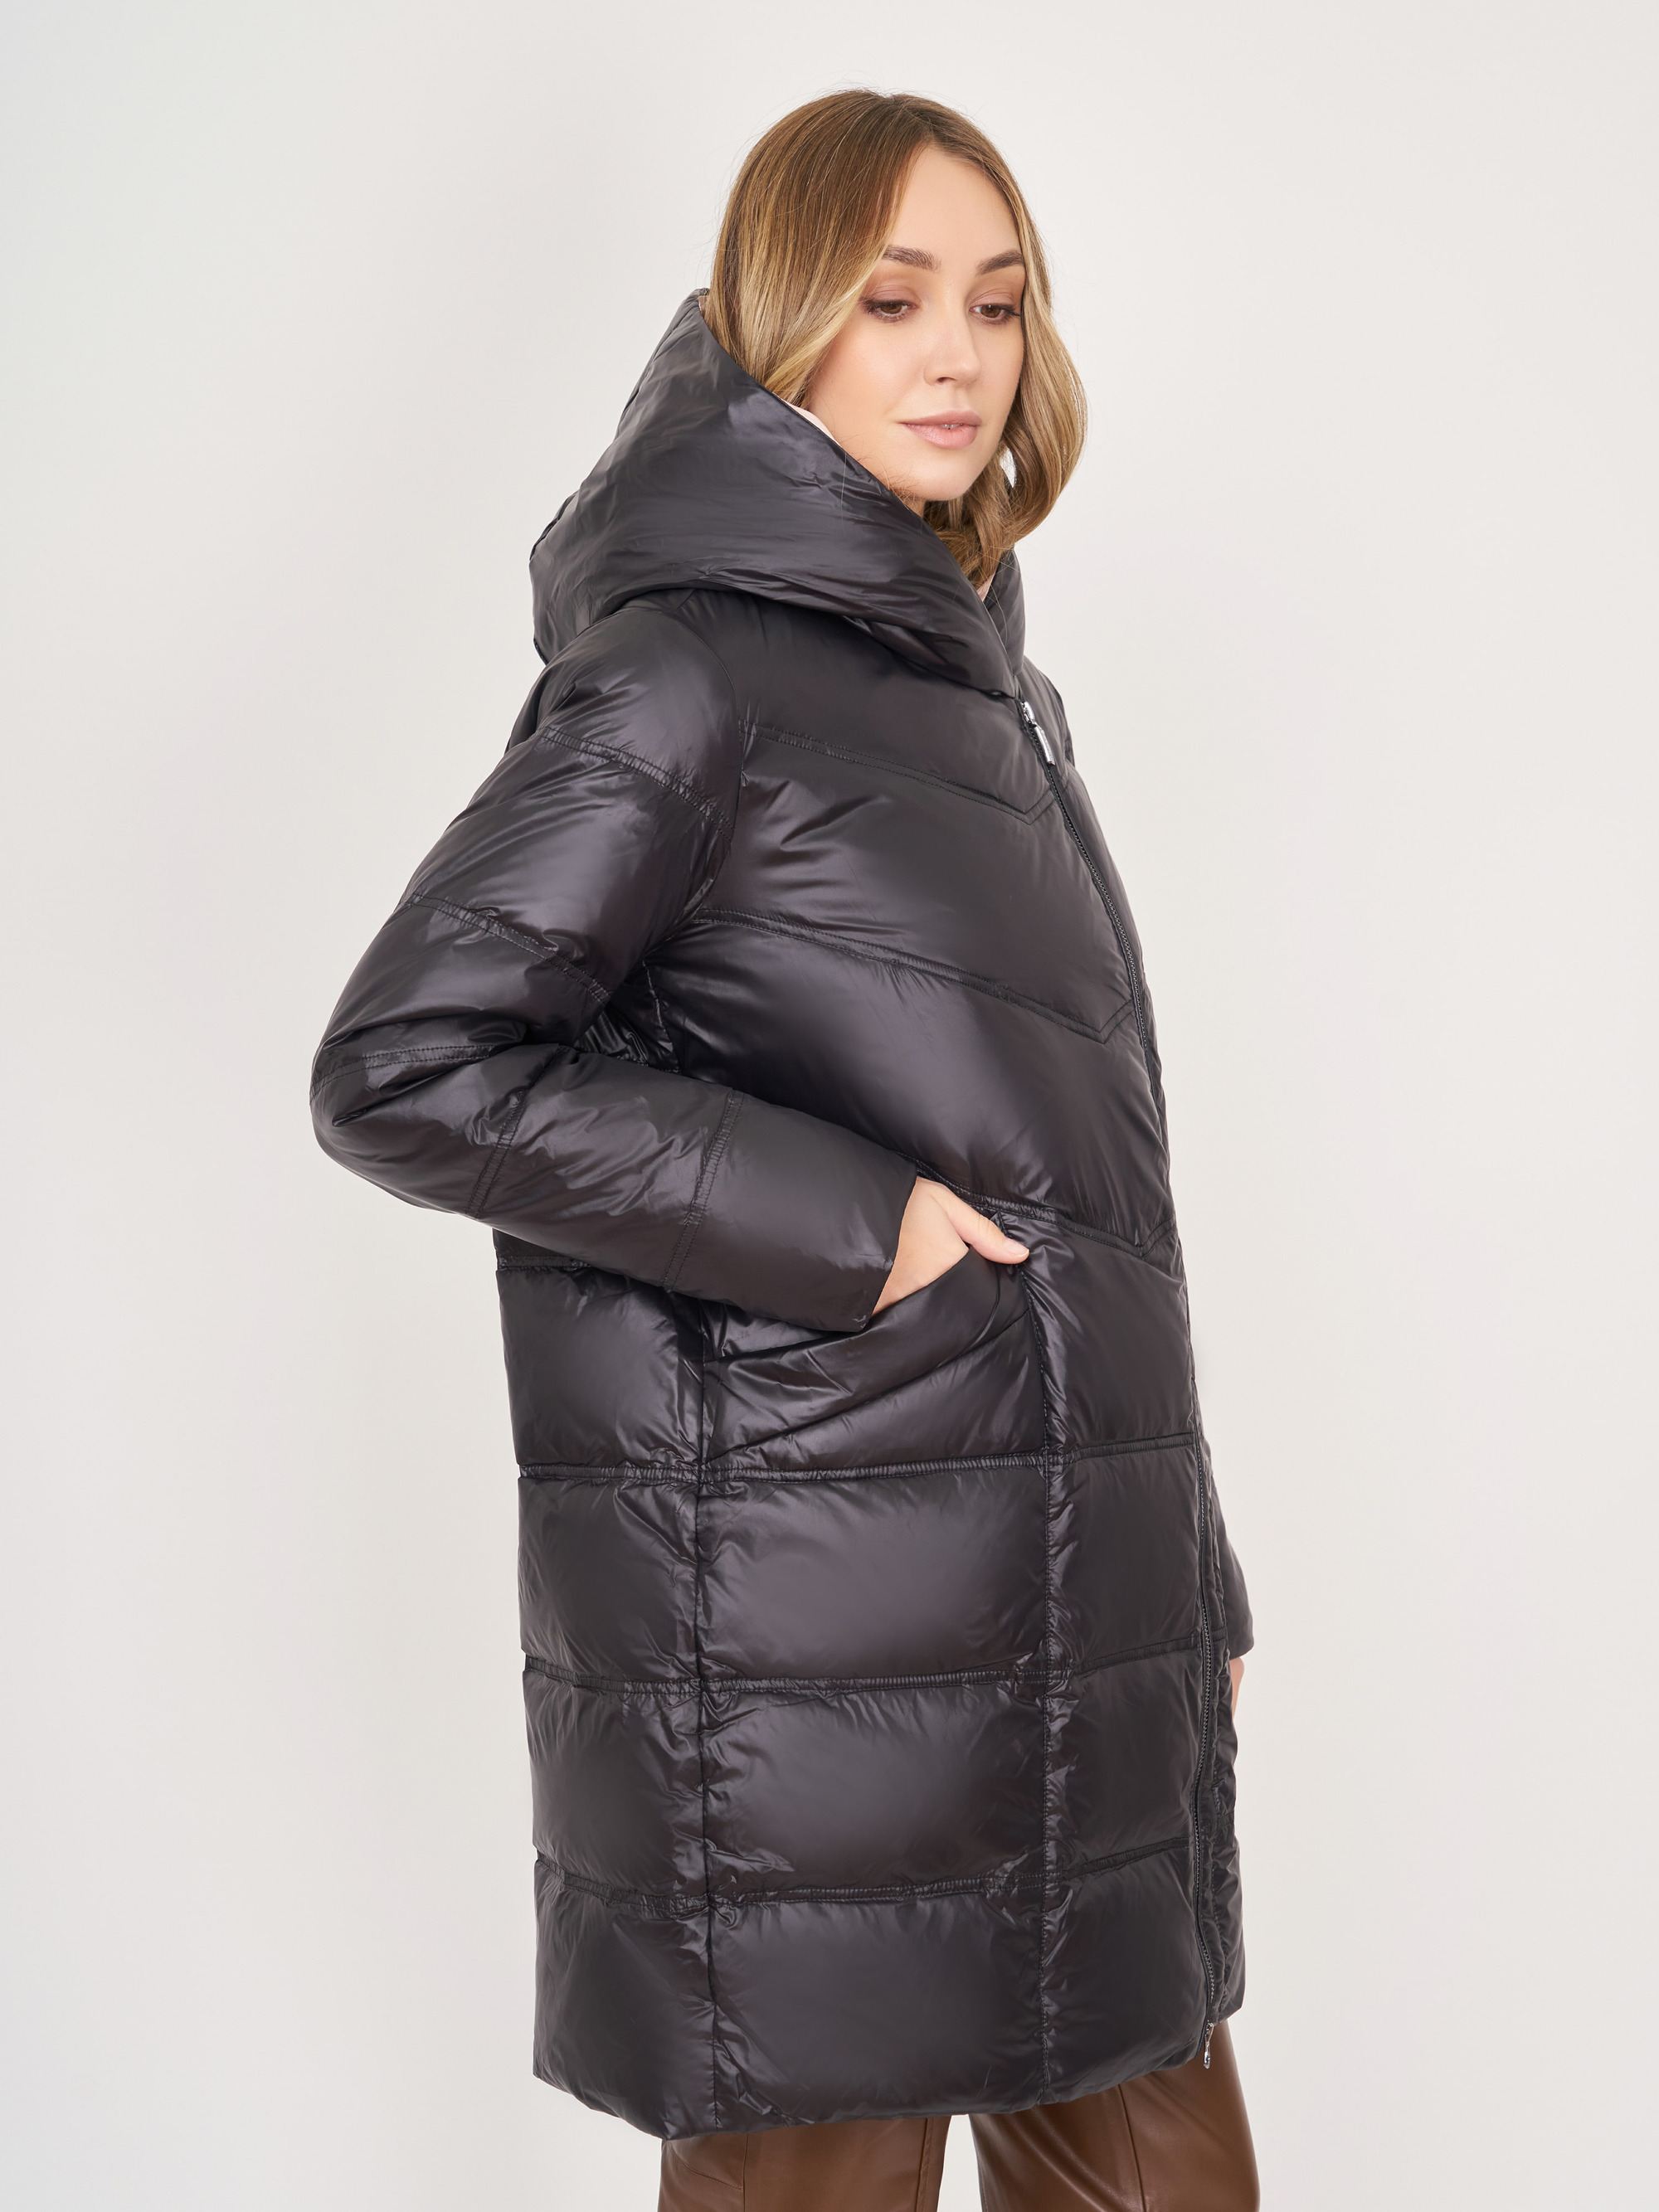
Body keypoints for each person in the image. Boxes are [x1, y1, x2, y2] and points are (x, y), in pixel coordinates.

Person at [311, 89, 1258, 2212]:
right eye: (892, 299)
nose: (957, 355)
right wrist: (857, 1222)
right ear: (776, 321)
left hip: (1069, 1626)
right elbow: (408, 1056)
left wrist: (1182, 1563)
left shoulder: (980, 687)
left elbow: (1089, 1185)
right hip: (811, 1662)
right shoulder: (687, 671)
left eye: (997, 303)